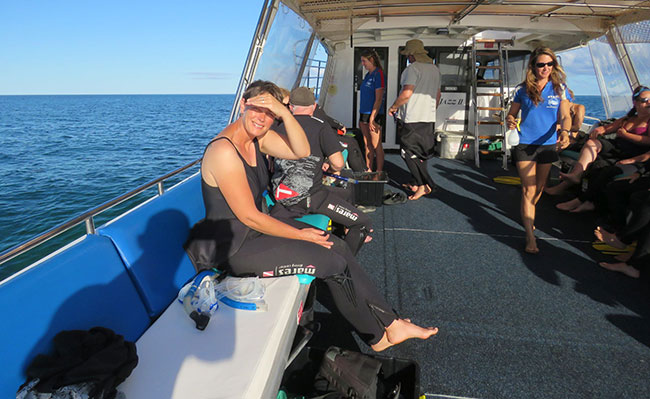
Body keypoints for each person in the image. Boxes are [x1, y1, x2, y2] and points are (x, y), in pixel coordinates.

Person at [184, 80, 438, 351]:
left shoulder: (258, 137)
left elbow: (300, 151)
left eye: (271, 113)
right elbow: (249, 217)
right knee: (331, 261)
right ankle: (377, 336)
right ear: (243, 105)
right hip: (234, 247)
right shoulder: (224, 151)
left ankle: (391, 322)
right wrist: (300, 233)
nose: (263, 118)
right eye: (258, 108)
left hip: (256, 232)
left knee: (337, 244)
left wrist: (284, 114)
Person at [270, 86, 373, 255]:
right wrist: (331, 167)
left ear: (291, 107)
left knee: (345, 195)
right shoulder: (320, 126)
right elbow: (338, 163)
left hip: (281, 196)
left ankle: (343, 228)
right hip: (309, 198)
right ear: (314, 105)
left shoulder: (278, 127)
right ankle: (341, 266)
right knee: (362, 223)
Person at [505, 47, 571, 254]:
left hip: (548, 145)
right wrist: (510, 120)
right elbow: (511, 114)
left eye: (549, 64)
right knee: (528, 189)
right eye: (541, 64)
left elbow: (566, 115)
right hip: (525, 144)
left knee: (539, 188)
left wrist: (566, 132)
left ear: (554, 66)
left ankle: (528, 214)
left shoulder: (560, 89)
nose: (545, 68)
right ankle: (530, 236)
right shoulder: (522, 89)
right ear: (533, 66)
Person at [547, 85, 650, 195]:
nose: (649, 103)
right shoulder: (627, 119)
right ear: (635, 103)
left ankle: (572, 192)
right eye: (645, 100)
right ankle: (576, 174)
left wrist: (626, 135)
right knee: (592, 143)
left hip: (634, 153)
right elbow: (606, 128)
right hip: (618, 147)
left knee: (598, 165)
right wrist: (599, 130)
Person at [388, 39, 441, 201]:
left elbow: (407, 93)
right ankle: (416, 182)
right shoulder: (435, 70)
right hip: (428, 118)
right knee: (421, 153)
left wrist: (394, 107)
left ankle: (424, 184)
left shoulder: (413, 69)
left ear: (411, 55)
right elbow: (438, 96)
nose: (408, 58)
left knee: (407, 153)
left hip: (412, 118)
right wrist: (430, 110)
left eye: (408, 55)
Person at [359, 49, 386, 172]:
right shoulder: (367, 75)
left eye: (364, 61)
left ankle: (379, 172)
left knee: (376, 145)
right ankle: (369, 169)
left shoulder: (378, 74)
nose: (363, 64)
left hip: (374, 115)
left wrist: (372, 118)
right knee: (367, 144)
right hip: (363, 113)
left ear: (371, 60)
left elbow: (379, 98)